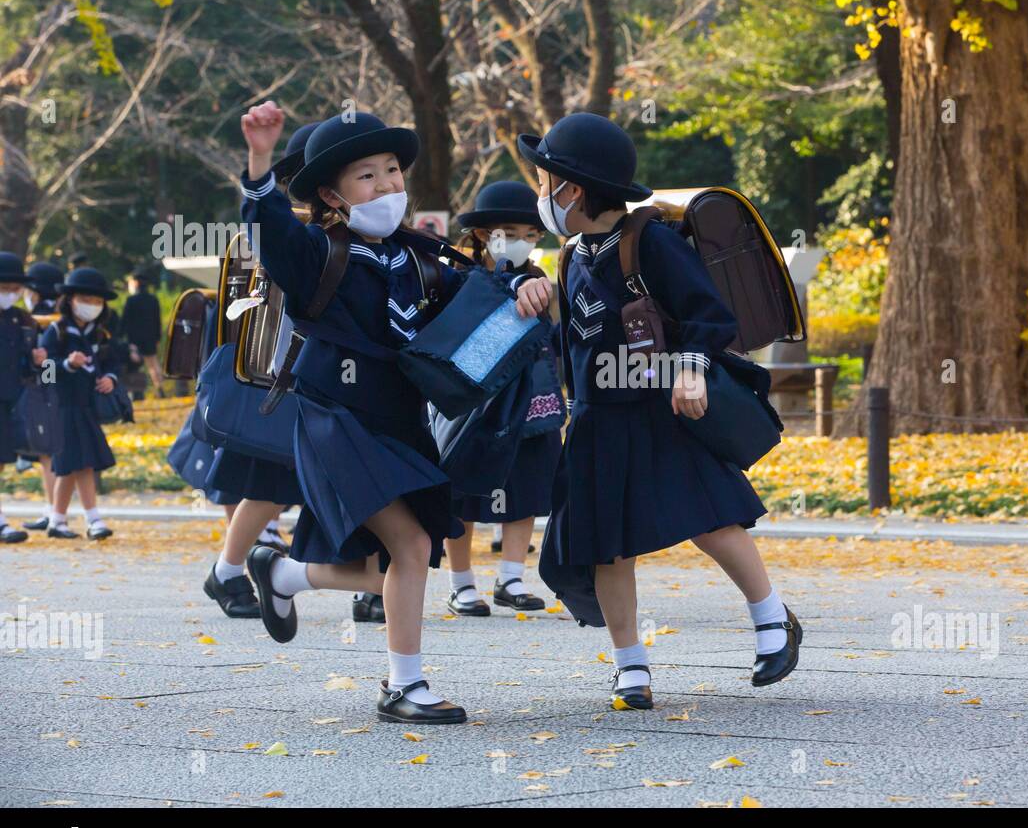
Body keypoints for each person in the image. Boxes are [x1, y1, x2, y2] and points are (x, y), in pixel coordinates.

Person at [238, 101, 552, 724]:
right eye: (367, 176)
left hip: (400, 420)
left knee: (387, 561)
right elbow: (270, 230)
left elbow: (473, 294)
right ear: (331, 194)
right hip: (338, 418)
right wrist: (259, 162)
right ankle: (403, 686)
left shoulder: (419, 255)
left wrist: (520, 287)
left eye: (392, 171)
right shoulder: (314, 251)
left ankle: (286, 575)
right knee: (408, 545)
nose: (387, 185)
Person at [521, 113, 801, 711]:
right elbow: (574, 341)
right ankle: (630, 667)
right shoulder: (571, 253)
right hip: (597, 417)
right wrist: (532, 299)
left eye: (544, 182)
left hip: (661, 404)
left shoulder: (649, 240)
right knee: (606, 545)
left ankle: (773, 621)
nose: (539, 194)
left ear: (573, 188)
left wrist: (692, 370)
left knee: (710, 516)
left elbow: (708, 315)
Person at [201, 120, 318, 622]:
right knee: (269, 484)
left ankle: (363, 583)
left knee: (282, 486)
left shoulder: (343, 231)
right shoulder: (286, 231)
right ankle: (230, 571)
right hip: (281, 378)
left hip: (311, 379)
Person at [443, 181, 560, 616]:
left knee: (527, 486)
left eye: (531, 234)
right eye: (510, 230)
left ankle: (511, 577)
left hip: (533, 400)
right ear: (482, 234)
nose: (521, 241)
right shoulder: (458, 277)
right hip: (476, 405)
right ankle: (461, 583)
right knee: (463, 491)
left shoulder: (539, 280)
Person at [38, 266, 121, 540]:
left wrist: (111, 379)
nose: (91, 306)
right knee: (75, 464)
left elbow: (112, 363)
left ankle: (59, 520)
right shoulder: (56, 330)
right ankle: (89, 519)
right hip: (61, 407)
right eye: (86, 299)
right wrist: (67, 364)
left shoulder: (102, 334)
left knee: (79, 464)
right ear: (70, 299)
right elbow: (45, 371)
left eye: (97, 302)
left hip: (87, 407)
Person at [0, 253, 46, 543]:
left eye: (15, 289)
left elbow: (38, 370)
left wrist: (39, 362)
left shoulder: (24, 321)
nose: (10, 294)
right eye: (5, 287)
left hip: (9, 402)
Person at [16, 260, 62, 527]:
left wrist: (45, 387)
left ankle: (52, 510)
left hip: (45, 391)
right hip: (58, 390)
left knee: (48, 455)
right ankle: (53, 510)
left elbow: (47, 362)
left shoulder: (39, 320)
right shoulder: (59, 316)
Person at [121, 265, 164, 399]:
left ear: (136, 282)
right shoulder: (153, 299)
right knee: (153, 364)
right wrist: (157, 337)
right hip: (150, 337)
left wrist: (121, 337)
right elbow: (158, 320)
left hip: (134, 340)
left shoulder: (131, 300)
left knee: (135, 367)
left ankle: (136, 393)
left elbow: (125, 321)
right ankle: (160, 389)